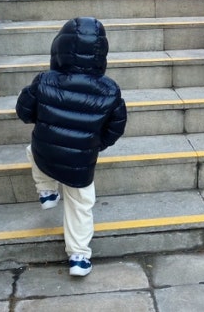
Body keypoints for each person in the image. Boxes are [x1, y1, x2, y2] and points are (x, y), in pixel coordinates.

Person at [15, 17, 127, 276]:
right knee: (80, 204)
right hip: (81, 163)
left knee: (34, 151)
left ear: (59, 49)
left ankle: (47, 192)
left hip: (46, 149)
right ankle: (78, 256)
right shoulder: (109, 90)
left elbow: (24, 111)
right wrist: (96, 144)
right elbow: (116, 126)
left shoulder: (44, 80)